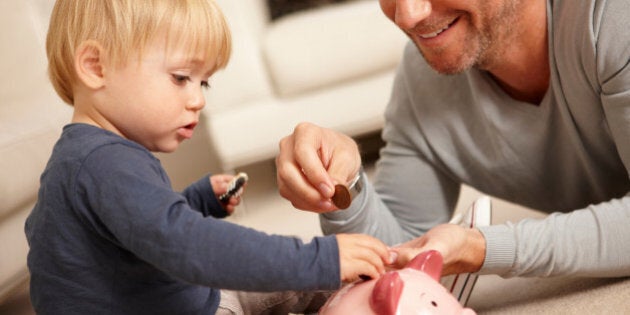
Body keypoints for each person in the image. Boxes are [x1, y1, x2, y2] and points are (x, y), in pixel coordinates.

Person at [25, 0, 393, 314]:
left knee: (317, 280)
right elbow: (192, 248)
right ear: (95, 67)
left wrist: (196, 201)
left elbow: (134, 235)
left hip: (182, 297)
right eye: (181, 77)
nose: (199, 99)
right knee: (326, 275)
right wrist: (323, 259)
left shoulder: (84, 159)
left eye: (204, 83)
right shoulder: (104, 164)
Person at [276, 0, 630, 279]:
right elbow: (395, 252)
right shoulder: (422, 83)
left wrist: (482, 248)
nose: (407, 15)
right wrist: (345, 184)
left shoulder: (613, 14)